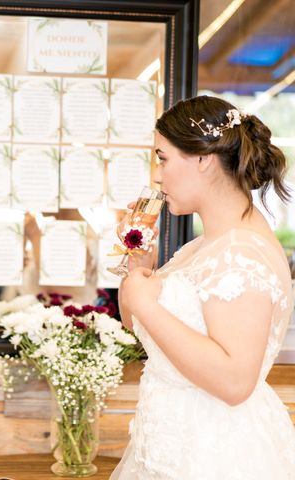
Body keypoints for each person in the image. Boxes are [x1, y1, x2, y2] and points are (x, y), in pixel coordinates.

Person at [112, 95, 295, 479]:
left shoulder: (243, 254)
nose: (157, 175)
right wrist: (140, 266)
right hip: (167, 445)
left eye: (163, 158)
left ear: (202, 159)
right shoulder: (204, 245)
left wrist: (148, 306)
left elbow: (234, 382)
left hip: (214, 454)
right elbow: (138, 325)